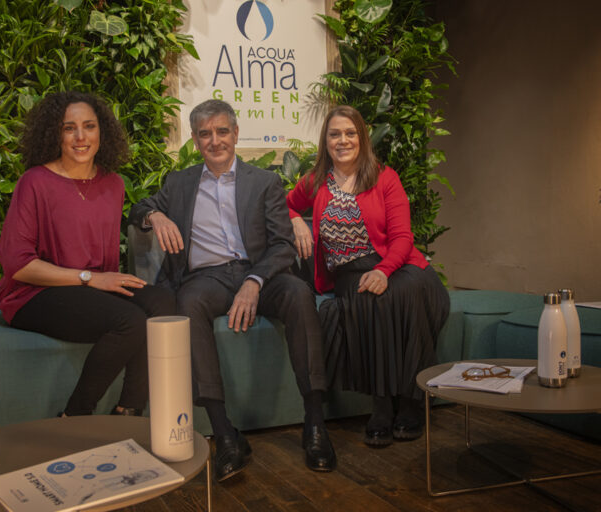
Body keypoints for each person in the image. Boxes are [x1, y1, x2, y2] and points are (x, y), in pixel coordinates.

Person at [130, 99, 336, 481]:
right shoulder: (179, 183)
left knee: (298, 294)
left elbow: (281, 245)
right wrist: (154, 214)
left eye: (222, 131)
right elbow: (138, 208)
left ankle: (315, 422)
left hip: (261, 274)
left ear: (236, 134)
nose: (215, 141)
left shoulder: (265, 182)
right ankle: (224, 434)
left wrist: (254, 282)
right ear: (194, 139)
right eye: (205, 134)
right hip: (205, 279)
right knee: (187, 305)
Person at [0, 91, 175, 417]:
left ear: (101, 131)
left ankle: (128, 411)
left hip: (89, 290)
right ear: (55, 134)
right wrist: (90, 279)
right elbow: (17, 265)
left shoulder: (113, 184)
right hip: (35, 294)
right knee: (130, 321)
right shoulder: (34, 182)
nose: (80, 137)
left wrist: (96, 282)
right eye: (69, 128)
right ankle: (74, 416)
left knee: (161, 303)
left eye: (89, 126)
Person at [286, 105, 450, 447]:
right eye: (335, 134)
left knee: (396, 294)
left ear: (361, 137)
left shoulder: (383, 177)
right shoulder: (315, 180)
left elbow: (403, 238)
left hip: (398, 266)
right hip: (348, 274)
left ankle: (408, 403)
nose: (342, 140)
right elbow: (282, 204)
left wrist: (383, 269)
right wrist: (295, 219)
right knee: (367, 297)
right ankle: (382, 406)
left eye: (350, 133)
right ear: (325, 141)